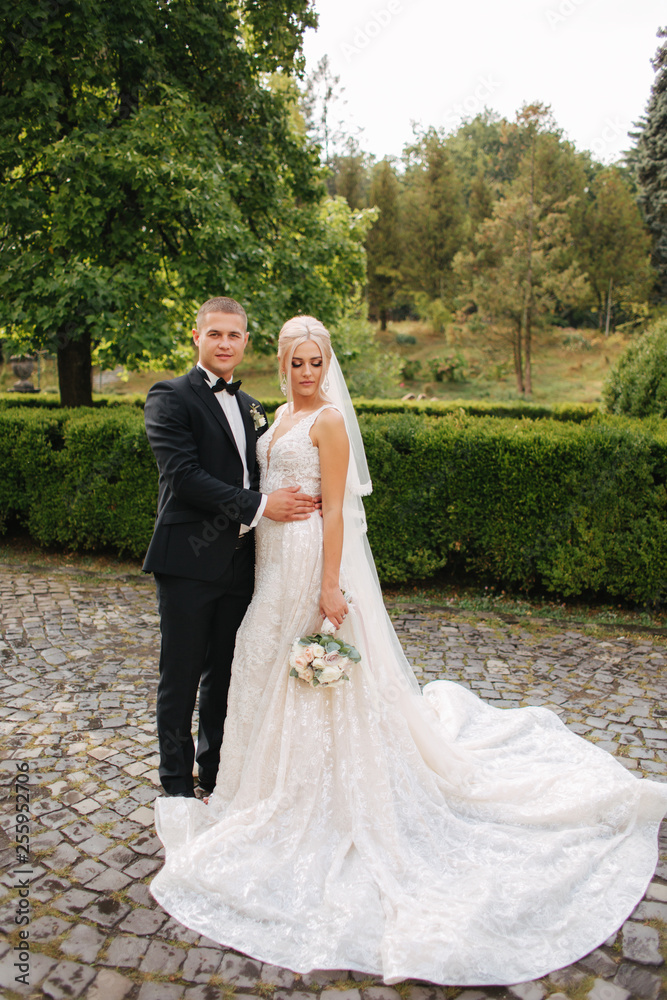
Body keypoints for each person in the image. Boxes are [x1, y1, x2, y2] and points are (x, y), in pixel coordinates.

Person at [151, 316, 667, 985]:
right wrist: (258, 506)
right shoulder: (268, 415)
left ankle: (302, 794)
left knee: (297, 679)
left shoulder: (328, 421)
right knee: (249, 664)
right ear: (277, 362)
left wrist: (330, 584)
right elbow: (205, 476)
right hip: (266, 565)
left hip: (308, 563)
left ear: (324, 363)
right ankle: (238, 784)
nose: (305, 373)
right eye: (295, 362)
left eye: (315, 362)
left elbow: (335, 510)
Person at [143, 297, 317, 798]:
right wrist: (262, 505)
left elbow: (276, 466)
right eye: (215, 333)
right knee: (179, 678)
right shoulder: (168, 396)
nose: (224, 343)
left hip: (243, 563)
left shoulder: (251, 406)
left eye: (233, 335)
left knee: (225, 675)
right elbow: (184, 477)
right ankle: (176, 786)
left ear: (245, 342)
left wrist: (313, 497)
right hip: (189, 560)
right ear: (197, 336)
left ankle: (217, 775)